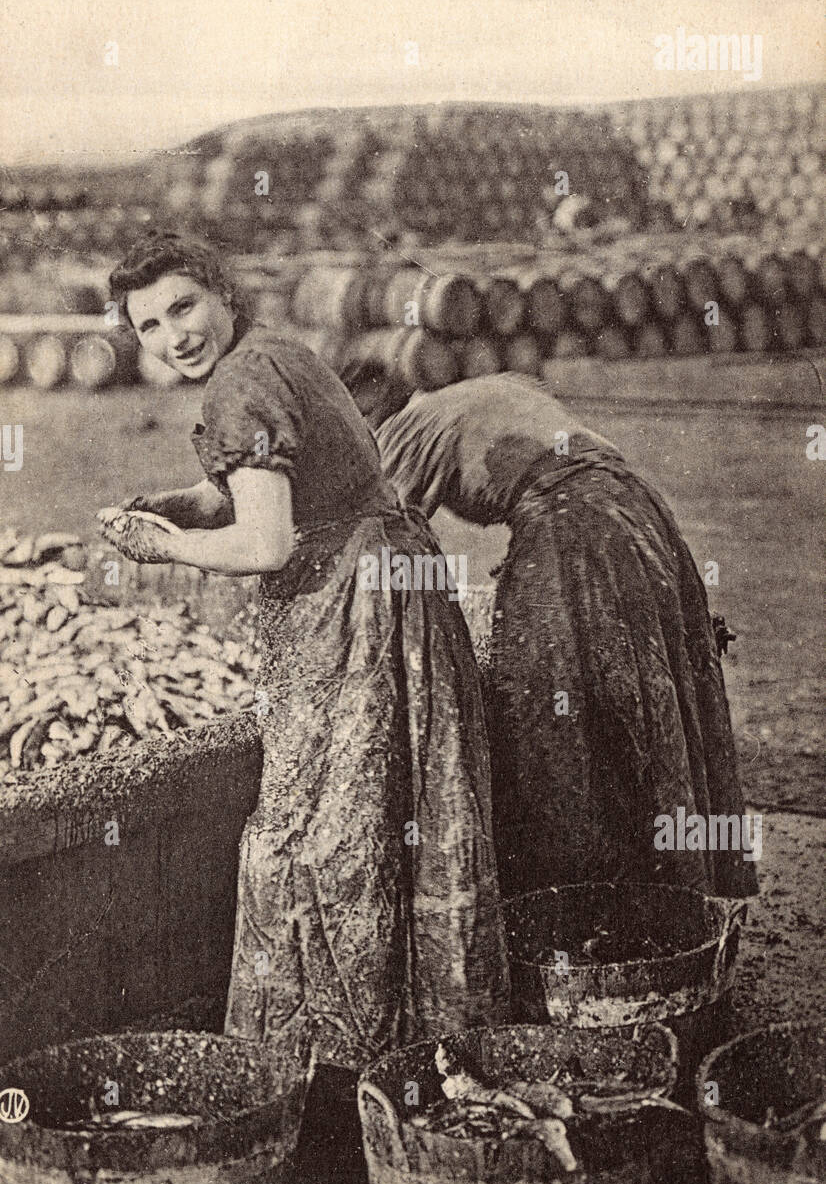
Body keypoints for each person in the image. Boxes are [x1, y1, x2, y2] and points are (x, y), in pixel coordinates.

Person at [102, 233, 511, 1091]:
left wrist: (169, 546)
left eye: (184, 306)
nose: (174, 335)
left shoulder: (241, 382)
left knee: (323, 834)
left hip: (351, 610)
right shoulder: (278, 351)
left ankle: (326, 1068)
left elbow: (266, 538)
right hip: (393, 580)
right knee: (402, 810)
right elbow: (268, 482)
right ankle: (421, 1042)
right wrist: (186, 503)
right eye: (149, 325)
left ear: (220, 290)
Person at [368, 370, 759, 903]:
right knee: (640, 693)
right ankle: (670, 890)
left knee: (553, 720)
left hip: (574, 529)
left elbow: (383, 540)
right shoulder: (473, 394)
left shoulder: (403, 430)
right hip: (636, 509)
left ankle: (583, 899)